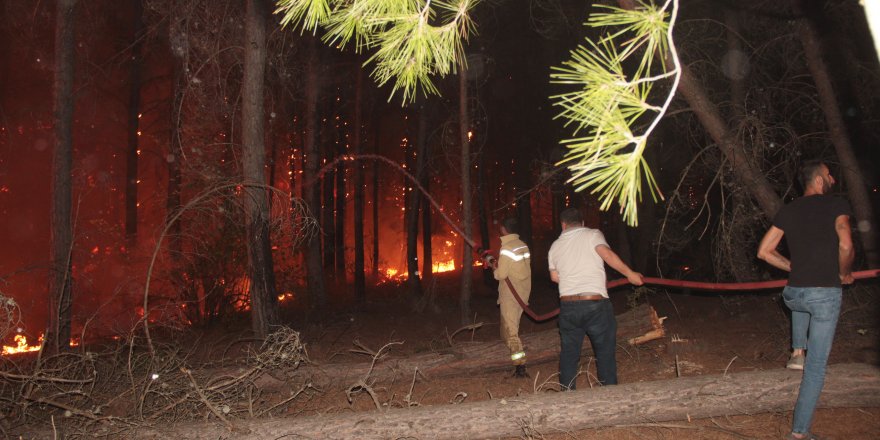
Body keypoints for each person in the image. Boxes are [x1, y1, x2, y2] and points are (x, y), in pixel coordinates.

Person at [757, 160, 854, 440]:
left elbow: (764, 251)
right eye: (829, 175)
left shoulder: (789, 209)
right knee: (817, 368)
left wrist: (793, 267)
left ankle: (797, 352)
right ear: (820, 181)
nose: (833, 179)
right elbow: (846, 243)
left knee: (803, 301)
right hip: (823, 294)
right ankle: (799, 433)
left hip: (794, 295)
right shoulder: (836, 205)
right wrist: (844, 273)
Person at [548, 207, 643, 390]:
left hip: (568, 307)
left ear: (563, 225)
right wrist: (630, 274)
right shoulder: (592, 234)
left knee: (569, 354)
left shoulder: (555, 246)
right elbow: (606, 254)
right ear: (582, 223)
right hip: (595, 304)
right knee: (605, 353)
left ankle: (567, 397)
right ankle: (609, 397)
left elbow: (555, 278)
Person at [489, 217, 532, 378]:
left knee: (511, 331)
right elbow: (517, 268)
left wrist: (495, 269)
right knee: (507, 327)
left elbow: (501, 274)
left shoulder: (506, 248)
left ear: (503, 229)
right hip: (523, 292)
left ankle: (520, 366)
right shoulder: (523, 245)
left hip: (511, 295)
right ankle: (511, 353)